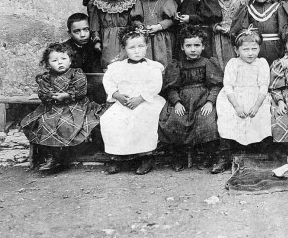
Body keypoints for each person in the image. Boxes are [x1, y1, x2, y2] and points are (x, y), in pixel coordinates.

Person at [20, 43, 101, 173]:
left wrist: (68, 95)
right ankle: (52, 155)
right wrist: (51, 96)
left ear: (70, 60)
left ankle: (62, 155)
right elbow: (43, 93)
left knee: (65, 122)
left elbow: (81, 90)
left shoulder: (76, 73)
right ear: (47, 64)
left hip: (75, 106)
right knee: (45, 121)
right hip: (53, 106)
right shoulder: (46, 78)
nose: (60, 63)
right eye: (55, 60)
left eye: (63, 59)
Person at [100, 29, 166, 175]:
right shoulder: (117, 67)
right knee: (110, 119)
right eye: (132, 47)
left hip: (146, 101)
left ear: (146, 46)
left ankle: (145, 156)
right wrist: (117, 95)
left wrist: (140, 98)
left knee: (142, 119)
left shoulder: (153, 67)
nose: (137, 51)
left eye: (140, 46)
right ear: (124, 49)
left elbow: (155, 86)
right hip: (123, 102)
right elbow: (109, 82)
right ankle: (116, 156)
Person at [160, 26, 223, 171]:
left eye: (197, 45)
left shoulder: (208, 63)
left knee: (206, 121)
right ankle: (178, 156)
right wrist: (176, 102)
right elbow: (171, 87)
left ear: (203, 46)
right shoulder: (177, 65)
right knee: (175, 120)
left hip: (202, 99)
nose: (193, 49)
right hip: (182, 100)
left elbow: (215, 85)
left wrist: (209, 102)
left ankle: (205, 156)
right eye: (188, 46)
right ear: (182, 47)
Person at [212, 27, 272, 174]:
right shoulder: (233, 63)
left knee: (263, 116)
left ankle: (262, 156)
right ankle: (224, 157)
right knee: (227, 119)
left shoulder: (262, 63)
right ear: (237, 50)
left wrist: (257, 105)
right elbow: (228, 86)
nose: (250, 53)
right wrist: (237, 107)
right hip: (234, 98)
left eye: (254, 48)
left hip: (257, 98)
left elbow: (264, 86)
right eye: (246, 49)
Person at [88, 0, 136, 70]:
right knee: (109, 63)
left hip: (125, 38)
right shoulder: (98, 4)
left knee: (127, 63)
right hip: (107, 40)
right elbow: (94, 25)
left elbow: (133, 21)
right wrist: (96, 40)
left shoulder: (129, 2)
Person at [130, 0, 177, 67]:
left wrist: (159, 26)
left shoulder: (167, 1)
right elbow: (135, 19)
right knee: (146, 62)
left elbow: (172, 20)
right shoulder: (140, 2)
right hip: (145, 37)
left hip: (162, 38)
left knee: (163, 62)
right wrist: (140, 27)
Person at [212, 0, 247, 70]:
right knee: (220, 60)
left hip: (236, 37)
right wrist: (216, 27)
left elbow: (245, 20)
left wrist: (234, 29)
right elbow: (210, 19)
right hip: (220, 38)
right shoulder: (214, 2)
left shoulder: (242, 1)